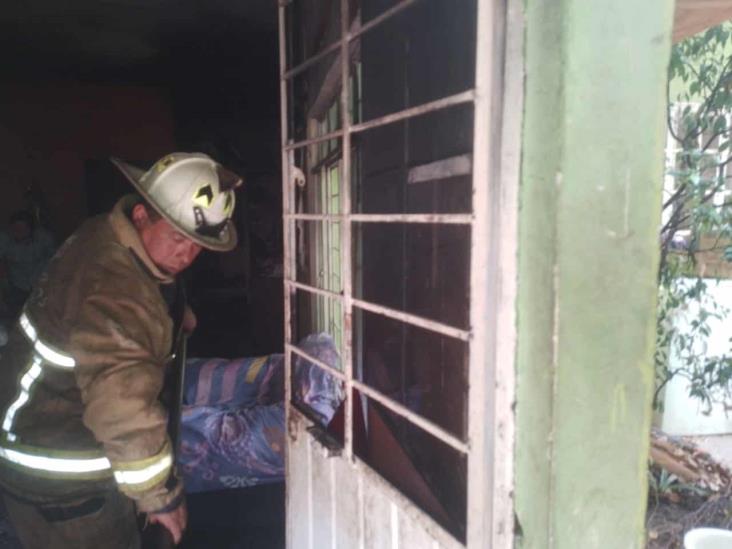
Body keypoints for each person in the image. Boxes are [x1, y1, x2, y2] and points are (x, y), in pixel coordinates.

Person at [0, 152, 242, 548]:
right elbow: (122, 406)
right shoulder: (117, 291)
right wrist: (159, 494)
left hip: (31, 434)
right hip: (60, 475)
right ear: (143, 216)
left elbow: (133, 294)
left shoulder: (107, 233)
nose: (186, 255)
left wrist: (171, 315)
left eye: (197, 245)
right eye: (178, 237)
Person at [0, 210, 55, 319]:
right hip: (17, 286)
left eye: (23, 229)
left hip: (42, 285)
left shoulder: (44, 238)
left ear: (31, 229)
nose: (19, 232)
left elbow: (56, 259)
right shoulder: (4, 239)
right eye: (15, 229)